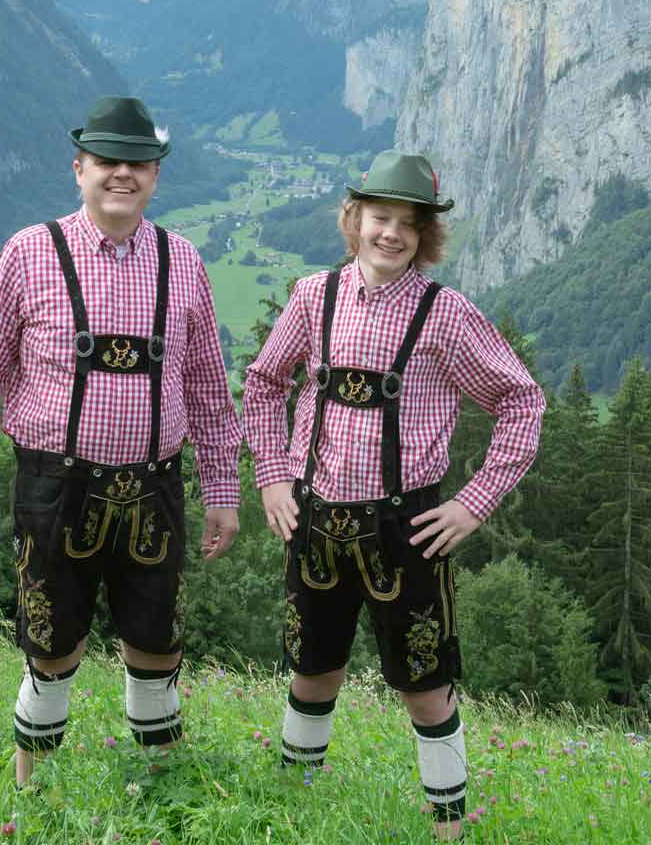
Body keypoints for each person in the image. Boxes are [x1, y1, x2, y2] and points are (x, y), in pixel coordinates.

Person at [0, 95, 242, 787]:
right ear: (79, 168)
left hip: (155, 487)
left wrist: (223, 492)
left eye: (137, 163)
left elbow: (206, 391)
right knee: (49, 645)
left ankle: (160, 791)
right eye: (107, 161)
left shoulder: (184, 261)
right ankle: (31, 797)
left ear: (156, 177)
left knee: (157, 646)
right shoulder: (28, 253)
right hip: (54, 487)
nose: (121, 175)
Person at [243, 151, 545, 839]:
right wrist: (273, 476)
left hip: (406, 527)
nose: (392, 234)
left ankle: (448, 826)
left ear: (425, 237)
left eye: (409, 224)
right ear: (356, 219)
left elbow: (522, 401)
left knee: (425, 683)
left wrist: (475, 502)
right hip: (315, 519)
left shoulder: (447, 315)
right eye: (381, 217)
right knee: (311, 669)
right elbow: (263, 383)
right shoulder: (311, 297)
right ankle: (294, 807)